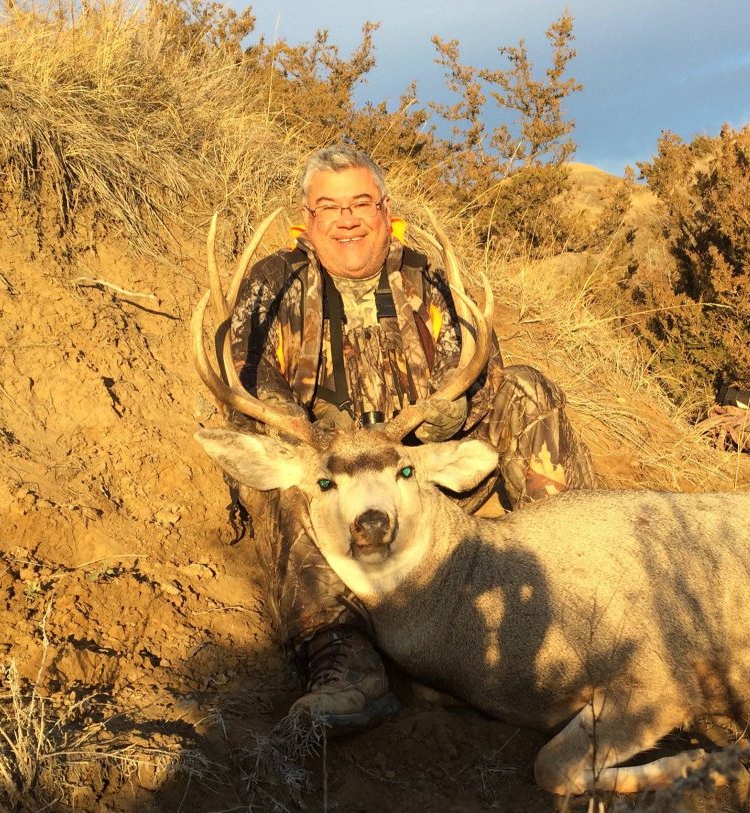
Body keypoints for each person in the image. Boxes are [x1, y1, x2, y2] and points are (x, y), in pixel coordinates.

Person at [229, 144, 595, 729]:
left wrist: (448, 414)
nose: (347, 219)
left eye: (360, 203)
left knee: (527, 389)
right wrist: (301, 430)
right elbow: (243, 374)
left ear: (384, 209)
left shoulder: (429, 281)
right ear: (308, 217)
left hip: (421, 479)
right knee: (295, 479)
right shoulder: (273, 284)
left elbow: (482, 371)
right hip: (336, 494)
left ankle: (581, 579)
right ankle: (345, 663)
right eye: (329, 207)